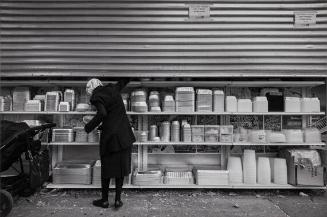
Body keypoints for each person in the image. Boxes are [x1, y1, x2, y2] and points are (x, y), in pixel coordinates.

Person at [84, 78, 135, 209]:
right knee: (120, 168)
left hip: (110, 138)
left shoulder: (96, 96)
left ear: (90, 89)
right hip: (124, 135)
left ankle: (105, 200)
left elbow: (102, 113)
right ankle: (118, 200)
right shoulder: (113, 88)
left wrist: (88, 127)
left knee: (106, 169)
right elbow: (123, 82)